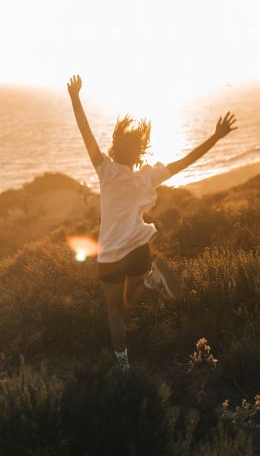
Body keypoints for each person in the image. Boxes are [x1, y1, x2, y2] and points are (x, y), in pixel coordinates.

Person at [67, 74, 237, 371]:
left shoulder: (106, 171)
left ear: (115, 147)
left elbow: (85, 134)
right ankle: (153, 279)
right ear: (140, 151)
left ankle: (123, 367)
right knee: (132, 300)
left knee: (115, 311)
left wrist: (75, 98)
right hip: (138, 249)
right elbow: (186, 161)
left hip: (109, 255)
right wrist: (215, 136)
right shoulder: (147, 177)